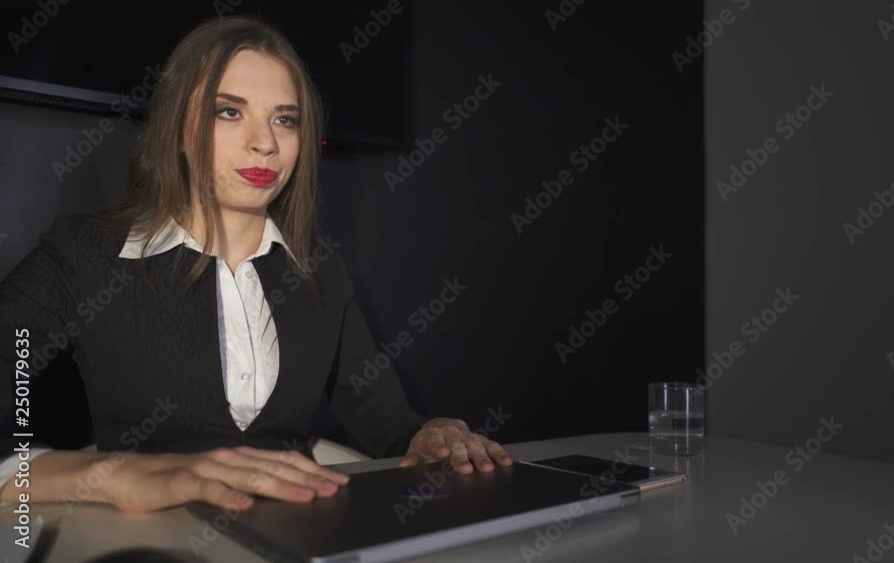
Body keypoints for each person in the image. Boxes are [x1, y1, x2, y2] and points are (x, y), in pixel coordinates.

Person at [0, 15, 512, 513]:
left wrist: (430, 438)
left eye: (284, 119)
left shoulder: (320, 272)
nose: (265, 143)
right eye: (229, 111)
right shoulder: (82, 254)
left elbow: (387, 422)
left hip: (301, 531)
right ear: (178, 127)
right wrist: (113, 475)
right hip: (147, 540)